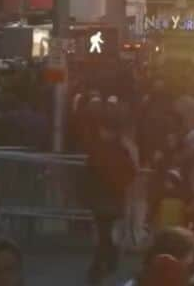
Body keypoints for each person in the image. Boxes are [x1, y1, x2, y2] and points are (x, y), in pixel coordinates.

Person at [85, 120, 137, 283]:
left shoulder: (99, 149)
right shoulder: (122, 150)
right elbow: (132, 172)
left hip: (101, 198)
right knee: (105, 232)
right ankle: (108, 260)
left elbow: (89, 171)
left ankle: (100, 264)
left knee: (103, 233)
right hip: (114, 198)